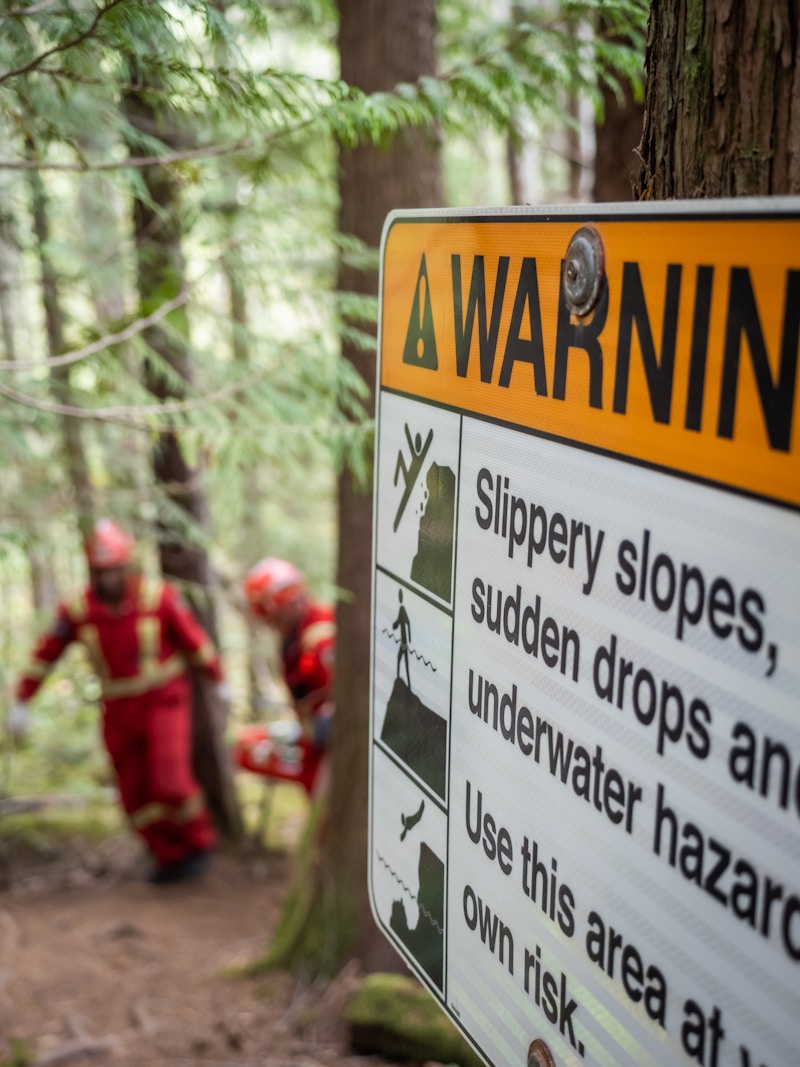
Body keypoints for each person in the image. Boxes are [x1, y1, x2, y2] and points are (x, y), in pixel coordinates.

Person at [7, 519, 224, 884]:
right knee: (134, 791)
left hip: (164, 699)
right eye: (101, 571)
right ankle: (166, 856)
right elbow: (46, 654)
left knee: (171, 781)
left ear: (127, 567)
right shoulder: (78, 610)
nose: (108, 578)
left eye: (114, 570)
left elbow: (194, 641)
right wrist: (22, 700)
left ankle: (198, 844)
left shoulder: (158, 598)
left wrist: (217, 678)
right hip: (119, 708)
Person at [242, 558, 335, 798]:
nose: (272, 624)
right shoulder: (295, 638)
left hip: (331, 749)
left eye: (272, 616)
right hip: (312, 741)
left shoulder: (320, 636)